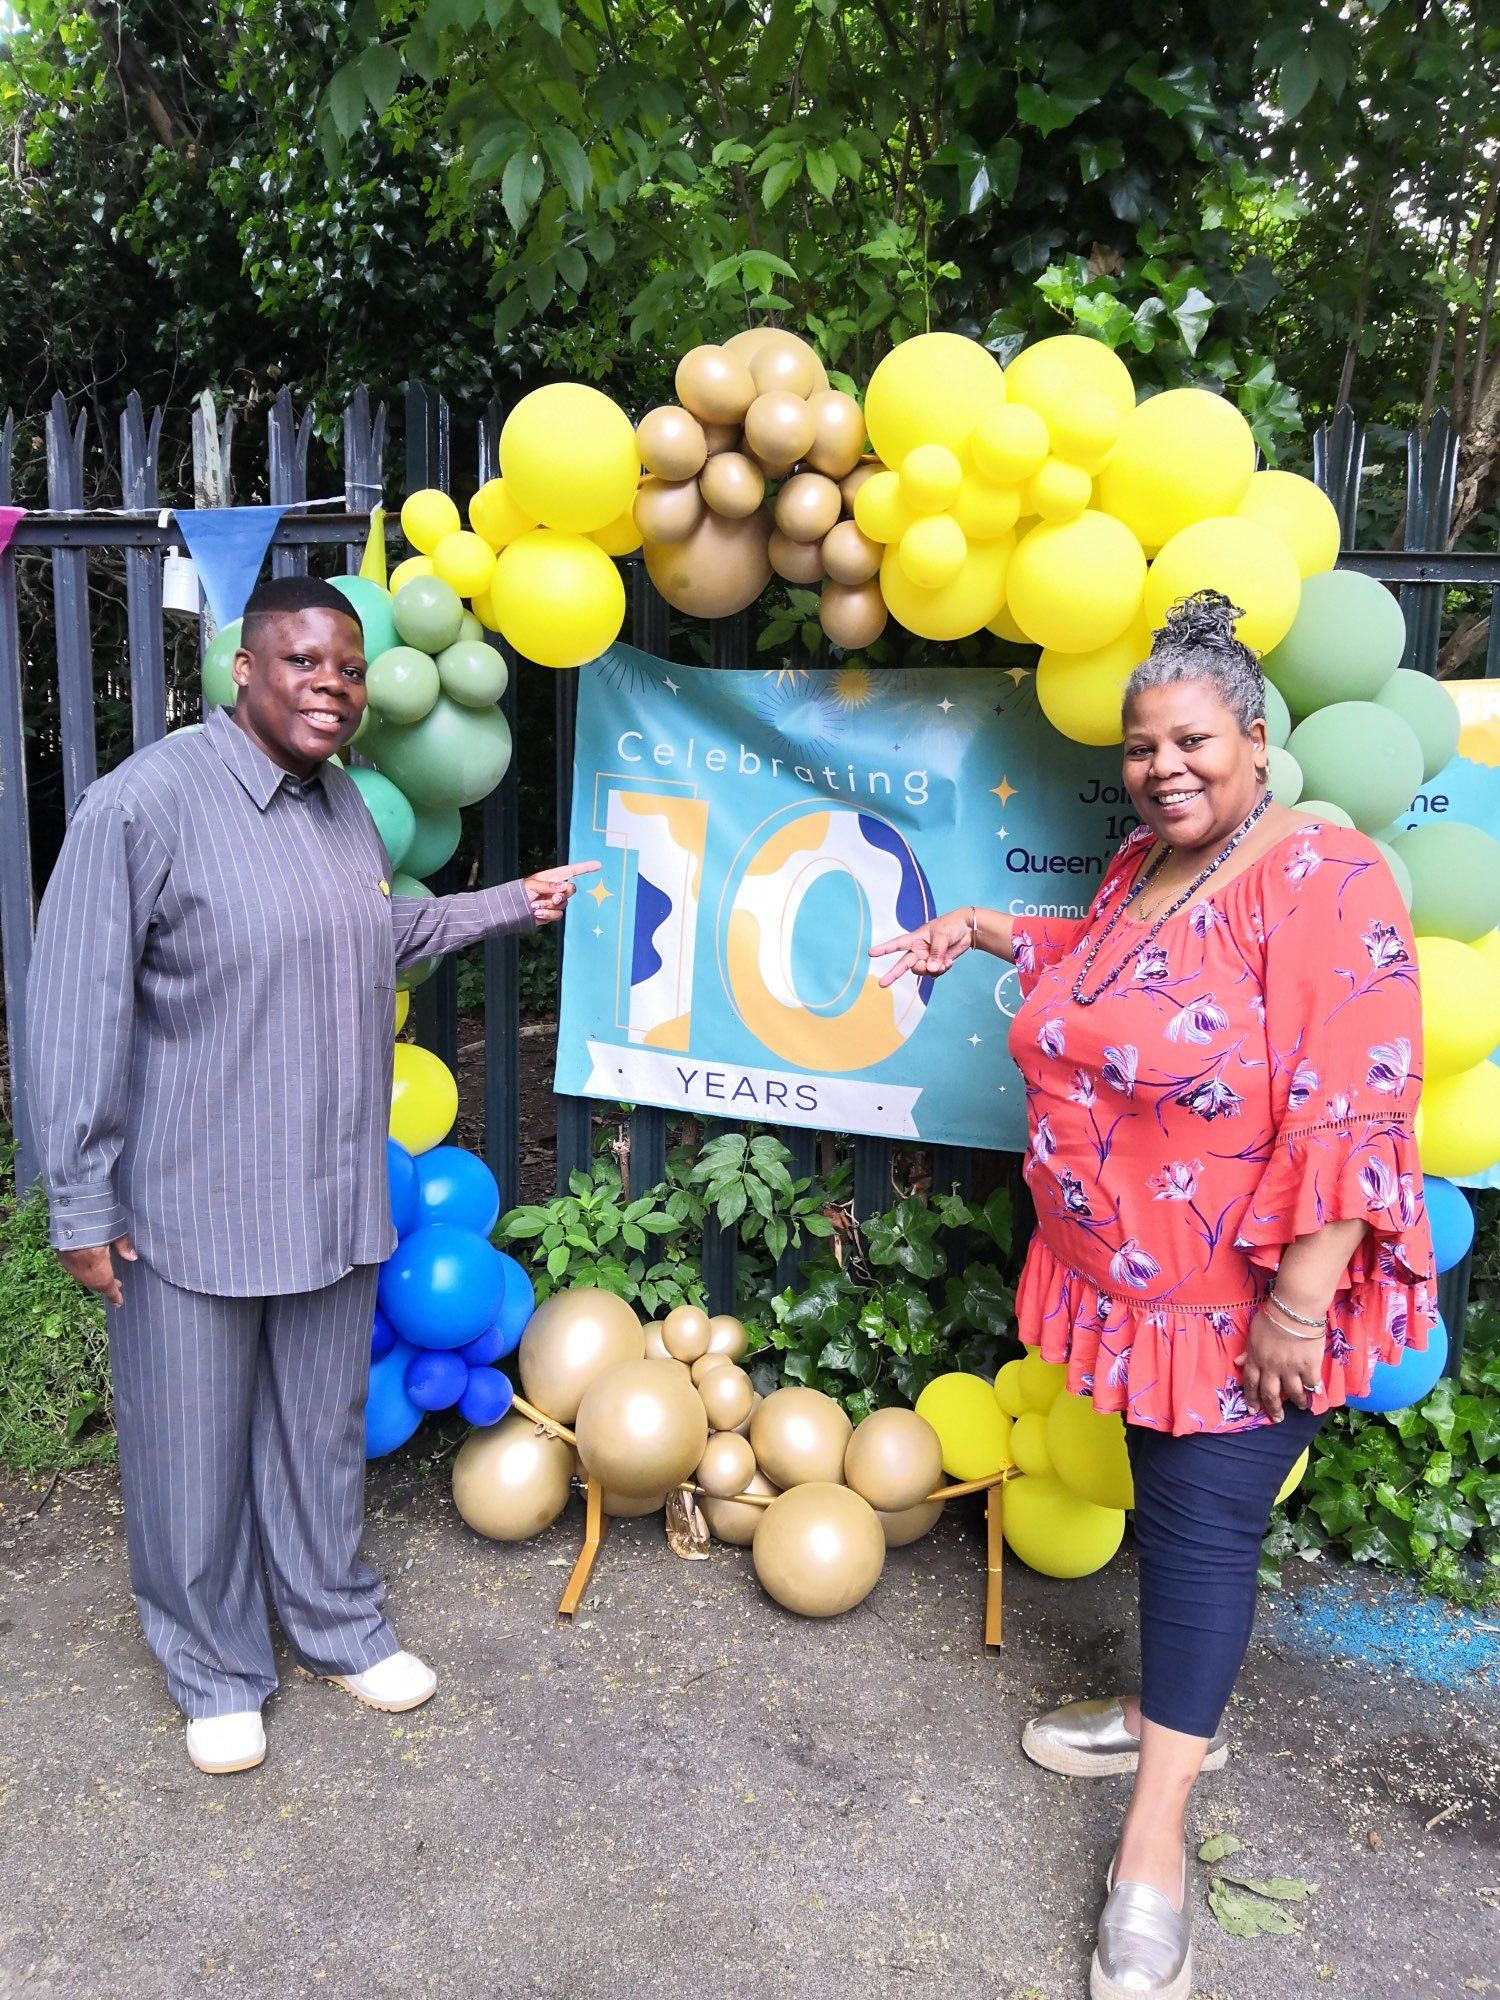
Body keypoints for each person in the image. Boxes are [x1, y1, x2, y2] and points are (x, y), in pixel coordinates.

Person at [872, 591, 1434, 2000]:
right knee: (1169, 1518)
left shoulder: (1323, 875)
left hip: (1240, 1312)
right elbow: (1122, 978)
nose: (1162, 765)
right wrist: (993, 932)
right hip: (1125, 1290)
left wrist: (1298, 1310)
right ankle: (1162, 1714)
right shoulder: (1144, 866)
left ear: (1255, 739)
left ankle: (1153, 1848)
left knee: (1196, 1539)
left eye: (1191, 740)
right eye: (1141, 746)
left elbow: (1352, 1103)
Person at [27, 574, 596, 1778]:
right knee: (187, 1449)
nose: (331, 686)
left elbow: (367, 931)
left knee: (319, 1435)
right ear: (242, 668)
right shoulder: (143, 806)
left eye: (346, 667)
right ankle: (215, 1667)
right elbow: (73, 1010)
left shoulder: (339, 802)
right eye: (303, 663)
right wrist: (77, 1200)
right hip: (193, 1203)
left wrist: (509, 903)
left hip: (335, 1193)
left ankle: (338, 1624)